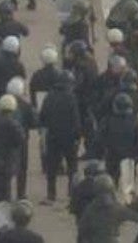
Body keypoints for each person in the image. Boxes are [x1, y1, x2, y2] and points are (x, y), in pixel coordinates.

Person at [38, 69, 82, 202]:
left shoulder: (49, 96)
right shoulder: (71, 97)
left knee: (51, 167)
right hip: (68, 136)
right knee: (72, 166)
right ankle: (72, 192)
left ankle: (51, 193)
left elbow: (42, 116)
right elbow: (75, 119)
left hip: (53, 136)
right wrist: (78, 135)